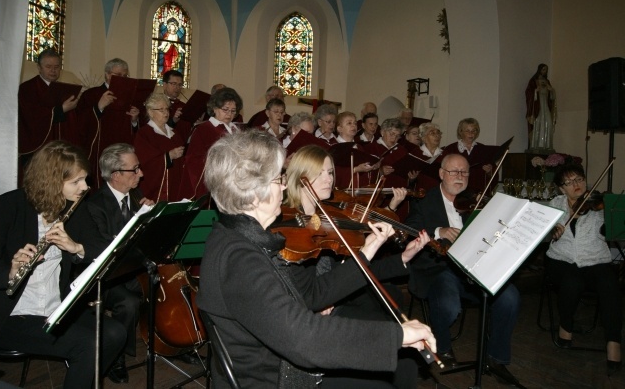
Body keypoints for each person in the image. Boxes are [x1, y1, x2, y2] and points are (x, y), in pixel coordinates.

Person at [197, 129, 435, 388]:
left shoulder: (240, 237)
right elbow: (304, 339)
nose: (285, 185)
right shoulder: (239, 258)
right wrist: (396, 336)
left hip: (281, 360)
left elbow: (308, 297)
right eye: (278, 179)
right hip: (275, 377)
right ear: (255, 194)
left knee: (398, 367)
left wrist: (367, 249)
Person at [282, 144, 427, 388]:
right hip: (310, 321)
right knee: (397, 352)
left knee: (405, 353)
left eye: (330, 172)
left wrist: (403, 258)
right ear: (301, 176)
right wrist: (317, 304)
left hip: (333, 302)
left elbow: (354, 270)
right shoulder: (289, 224)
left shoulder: (327, 216)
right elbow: (293, 289)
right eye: (321, 173)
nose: (329, 179)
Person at [0, 141, 126, 388]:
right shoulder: (9, 206)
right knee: (87, 344)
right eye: (76, 182)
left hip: (55, 307)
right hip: (14, 314)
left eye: (85, 179)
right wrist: (10, 270)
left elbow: (103, 248)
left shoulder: (75, 207)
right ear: (51, 181)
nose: (85, 188)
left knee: (115, 333)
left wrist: (76, 248)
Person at [405, 153, 522, 386]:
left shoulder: (474, 202)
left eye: (464, 172)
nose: (460, 177)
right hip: (438, 269)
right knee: (448, 303)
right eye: (454, 172)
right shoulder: (425, 200)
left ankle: (496, 358)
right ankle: (443, 349)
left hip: (473, 268)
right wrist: (438, 231)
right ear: (441, 174)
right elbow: (408, 228)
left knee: (510, 298)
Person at [87, 143, 153, 383]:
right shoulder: (95, 205)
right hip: (108, 274)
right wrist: (138, 220)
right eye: (134, 169)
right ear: (115, 175)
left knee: (160, 283)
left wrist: (150, 219)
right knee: (129, 302)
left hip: (132, 269)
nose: (141, 174)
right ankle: (115, 358)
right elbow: (107, 250)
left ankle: (169, 342)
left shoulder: (134, 196)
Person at [548, 162, 622, 375]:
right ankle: (566, 325)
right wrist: (551, 231)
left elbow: (609, 231)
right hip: (561, 259)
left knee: (609, 284)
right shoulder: (555, 204)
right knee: (572, 279)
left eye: (579, 179)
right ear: (562, 189)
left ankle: (614, 343)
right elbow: (540, 234)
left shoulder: (598, 204)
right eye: (569, 183)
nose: (576, 185)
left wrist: (610, 217)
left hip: (595, 260)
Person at [78, 58, 140, 189]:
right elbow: (80, 123)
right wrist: (98, 107)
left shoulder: (131, 96)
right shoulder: (91, 94)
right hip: (101, 149)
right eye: (118, 75)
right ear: (107, 74)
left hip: (123, 148)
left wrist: (135, 120)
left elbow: (138, 128)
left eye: (125, 76)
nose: (122, 79)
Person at [18, 48, 80, 178]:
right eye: (48, 66)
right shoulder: (27, 88)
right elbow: (30, 116)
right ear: (39, 67)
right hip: (37, 150)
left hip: (60, 149)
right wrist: (61, 110)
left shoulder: (64, 89)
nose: (53, 70)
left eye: (57, 67)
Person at [180, 87, 243, 199]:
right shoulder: (203, 129)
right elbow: (193, 160)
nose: (229, 114)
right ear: (214, 108)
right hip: (214, 182)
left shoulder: (236, 130)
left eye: (233, 111)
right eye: (225, 109)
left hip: (234, 182)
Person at [134, 93, 186, 202]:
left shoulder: (174, 133)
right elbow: (146, 161)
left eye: (167, 109)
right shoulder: (144, 134)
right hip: (156, 187)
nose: (166, 113)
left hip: (175, 182)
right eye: (161, 110)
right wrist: (169, 156)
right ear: (150, 112)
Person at [442, 118, 496, 194]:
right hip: (457, 192)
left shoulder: (484, 150)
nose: (471, 133)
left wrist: (489, 171)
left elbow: (494, 174)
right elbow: (444, 173)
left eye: (474, 130)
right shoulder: (450, 149)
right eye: (467, 131)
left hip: (479, 193)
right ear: (461, 132)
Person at [525, 63, 556, 151]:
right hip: (537, 106)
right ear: (539, 70)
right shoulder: (533, 81)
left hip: (545, 104)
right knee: (538, 123)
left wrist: (552, 91)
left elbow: (552, 97)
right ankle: (535, 145)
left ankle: (546, 145)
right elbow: (528, 93)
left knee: (548, 123)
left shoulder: (547, 82)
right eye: (543, 69)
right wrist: (535, 91)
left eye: (546, 70)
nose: (544, 71)